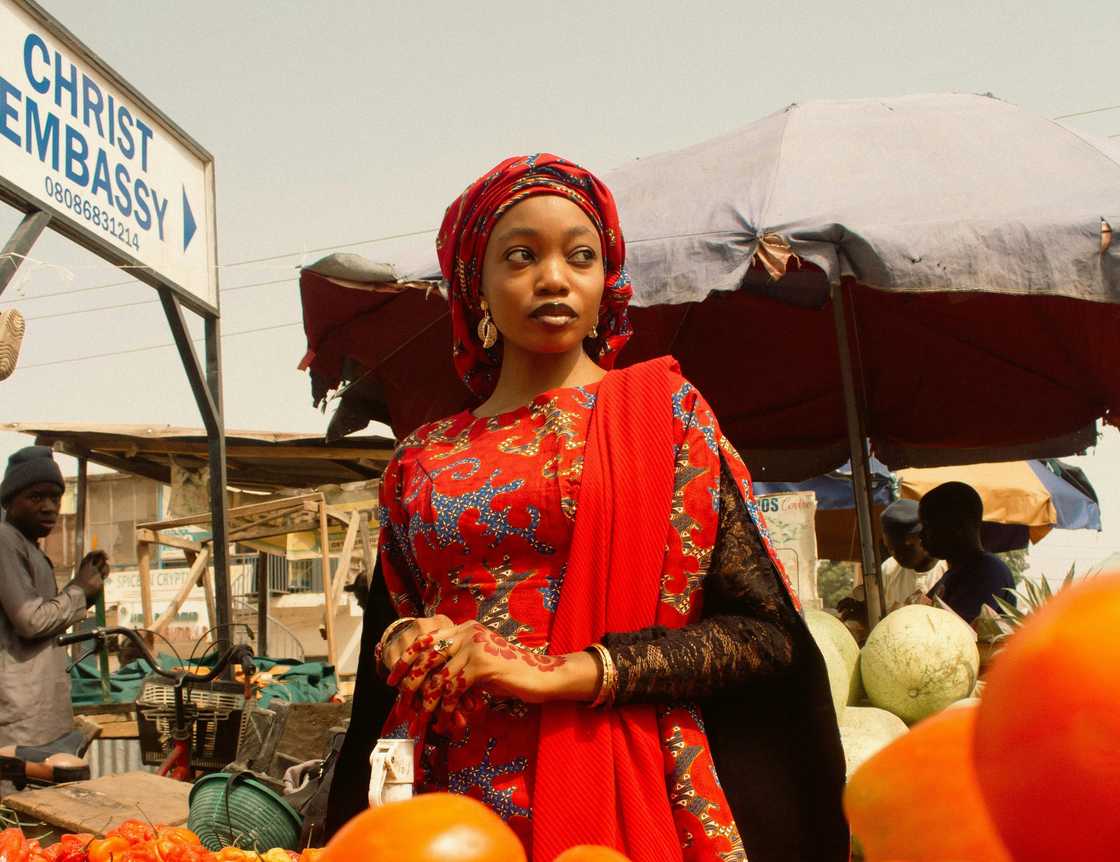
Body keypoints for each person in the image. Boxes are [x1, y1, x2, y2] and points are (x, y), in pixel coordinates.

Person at [326, 155, 848, 861]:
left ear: (609, 281)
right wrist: (406, 643)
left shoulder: (665, 418)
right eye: (520, 256)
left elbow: (765, 635)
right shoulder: (422, 458)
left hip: (625, 783)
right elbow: (395, 621)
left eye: (581, 256)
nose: (554, 277)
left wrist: (557, 673)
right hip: (443, 806)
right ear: (473, 284)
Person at [0, 446, 108, 748]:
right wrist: (78, 590)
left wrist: (87, 589)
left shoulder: (30, 547)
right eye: (36, 497)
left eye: (55, 498)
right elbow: (31, 621)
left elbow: (45, 619)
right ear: (9, 501)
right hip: (21, 718)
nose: (49, 507)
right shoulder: (5, 540)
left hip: (39, 713)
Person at [919, 481, 1016, 623]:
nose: (921, 535)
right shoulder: (957, 572)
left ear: (957, 526)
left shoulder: (986, 572)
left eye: (927, 526)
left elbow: (957, 633)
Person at [840, 498, 948, 620]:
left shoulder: (948, 568)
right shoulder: (888, 569)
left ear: (923, 537)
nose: (898, 555)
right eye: (890, 549)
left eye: (905, 548)